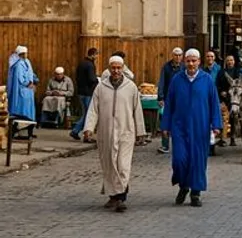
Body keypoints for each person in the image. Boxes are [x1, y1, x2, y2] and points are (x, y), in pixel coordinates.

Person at [84, 55, 147, 212]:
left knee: (123, 166)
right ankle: (114, 196)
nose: (116, 71)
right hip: (105, 133)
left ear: (123, 68)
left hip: (126, 131)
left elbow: (137, 110)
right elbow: (93, 109)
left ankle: (120, 197)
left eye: (119, 68)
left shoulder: (131, 87)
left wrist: (140, 131)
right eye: (113, 68)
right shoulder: (101, 87)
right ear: (109, 68)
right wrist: (89, 128)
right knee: (109, 165)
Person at [160, 48, 222, 208]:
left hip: (200, 126)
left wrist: (216, 124)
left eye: (194, 60)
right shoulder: (176, 80)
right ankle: (183, 185)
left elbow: (214, 103)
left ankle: (195, 192)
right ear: (184, 62)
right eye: (188, 60)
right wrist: (165, 125)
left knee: (198, 161)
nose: (191, 63)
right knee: (179, 159)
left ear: (199, 62)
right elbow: (169, 104)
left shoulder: (207, 80)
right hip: (179, 127)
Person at [157, 47, 184, 155]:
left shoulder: (184, 67)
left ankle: (180, 145)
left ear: (182, 56)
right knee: (165, 121)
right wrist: (160, 97)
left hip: (181, 99)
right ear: (172, 56)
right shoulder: (166, 67)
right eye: (175, 55)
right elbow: (162, 82)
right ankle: (165, 145)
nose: (177, 57)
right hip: (168, 99)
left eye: (179, 55)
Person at [71, 47, 99, 141]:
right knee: (88, 114)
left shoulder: (81, 63)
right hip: (88, 92)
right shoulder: (90, 65)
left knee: (85, 113)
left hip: (80, 91)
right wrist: (97, 80)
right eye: (96, 55)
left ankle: (76, 130)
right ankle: (76, 131)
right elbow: (91, 79)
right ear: (93, 54)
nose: (97, 57)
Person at [7, 46, 38, 131]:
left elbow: (30, 72)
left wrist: (34, 81)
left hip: (28, 90)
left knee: (28, 110)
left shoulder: (27, 61)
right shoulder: (18, 64)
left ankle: (28, 128)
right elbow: (20, 78)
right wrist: (28, 83)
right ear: (22, 54)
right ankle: (17, 129)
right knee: (21, 110)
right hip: (22, 90)